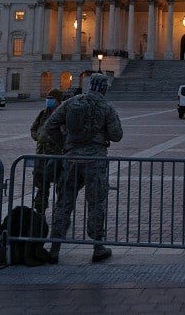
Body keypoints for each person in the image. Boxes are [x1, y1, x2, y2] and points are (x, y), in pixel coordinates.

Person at [45, 73, 123, 264]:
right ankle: (98, 246)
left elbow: (50, 125)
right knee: (96, 202)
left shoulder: (72, 102)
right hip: (95, 160)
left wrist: (65, 143)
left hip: (71, 159)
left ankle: (55, 247)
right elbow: (116, 135)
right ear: (104, 88)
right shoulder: (105, 106)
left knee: (64, 202)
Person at [30, 89, 65, 213]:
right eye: (48, 97)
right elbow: (33, 128)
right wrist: (37, 136)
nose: (48, 100)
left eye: (52, 98)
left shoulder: (63, 114)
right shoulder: (43, 113)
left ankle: (61, 212)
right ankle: (40, 210)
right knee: (41, 184)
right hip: (41, 153)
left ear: (58, 100)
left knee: (61, 185)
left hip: (56, 154)